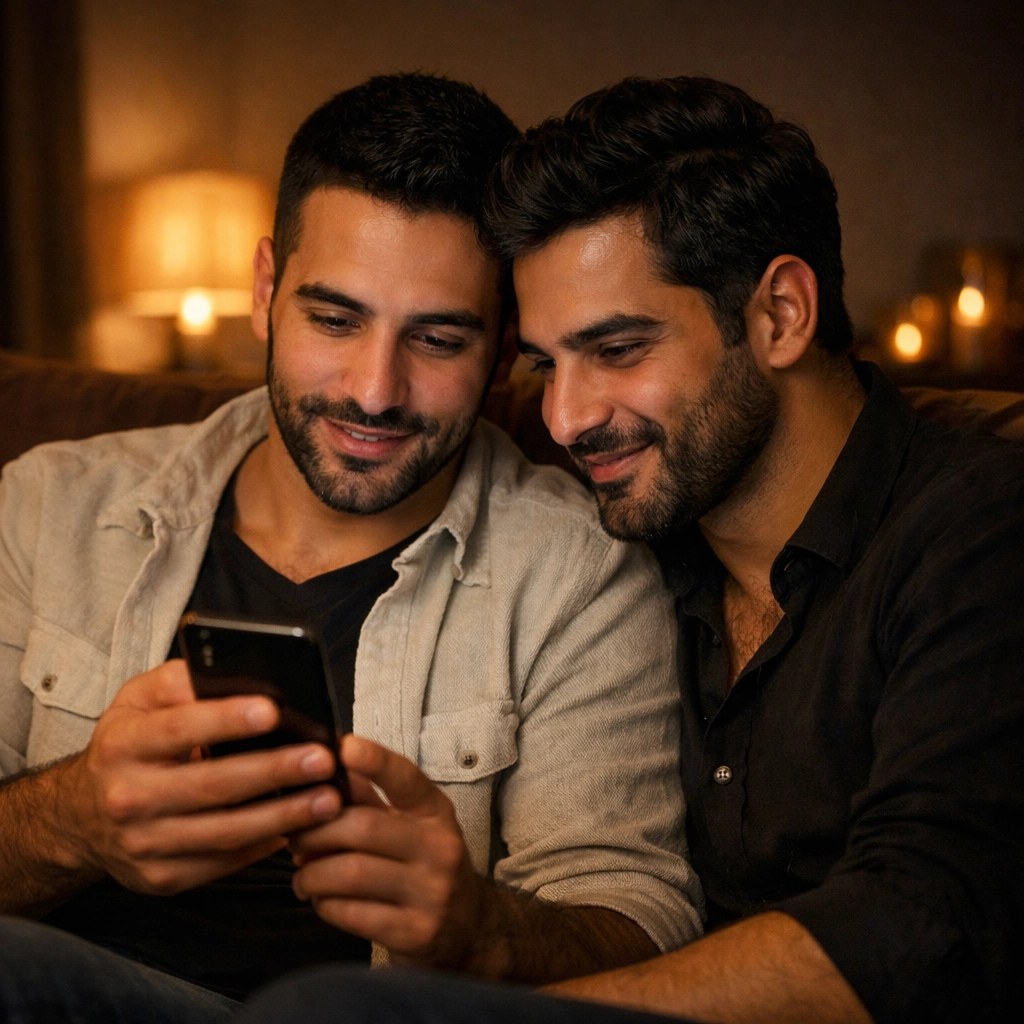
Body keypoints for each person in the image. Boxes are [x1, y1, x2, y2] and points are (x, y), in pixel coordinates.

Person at [239, 76, 1024, 1024]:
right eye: (545, 364)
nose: (565, 419)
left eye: (616, 350)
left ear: (780, 312)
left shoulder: (983, 531)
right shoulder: (637, 554)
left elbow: (920, 926)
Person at [0, 74, 703, 1023]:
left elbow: (642, 922)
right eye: (335, 320)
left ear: (502, 353)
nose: (375, 391)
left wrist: (477, 929)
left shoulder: (582, 571)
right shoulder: (48, 503)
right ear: (264, 291)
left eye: (439, 340)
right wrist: (71, 822)